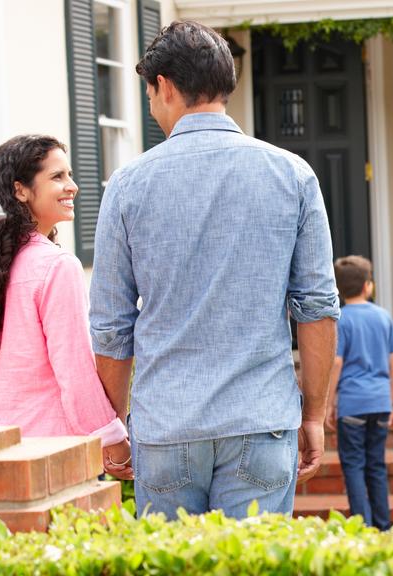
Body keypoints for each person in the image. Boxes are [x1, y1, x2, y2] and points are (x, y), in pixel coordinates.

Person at [89, 21, 340, 520]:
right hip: (261, 418)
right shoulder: (292, 174)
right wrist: (313, 413)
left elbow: (112, 328)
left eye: (150, 93)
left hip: (167, 426)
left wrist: (113, 428)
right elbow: (317, 309)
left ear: (163, 85)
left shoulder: (127, 185)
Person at [0, 135, 132, 479]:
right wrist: (112, 438)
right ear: (21, 190)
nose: (72, 186)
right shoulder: (56, 267)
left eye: (69, 175)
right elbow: (75, 371)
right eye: (57, 177)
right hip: (57, 449)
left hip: (1, 442)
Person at [326, 256, 393, 530]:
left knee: (354, 466)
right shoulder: (384, 317)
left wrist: (328, 403)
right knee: (376, 466)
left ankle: (362, 527)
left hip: (353, 404)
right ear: (368, 286)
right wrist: (389, 400)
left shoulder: (341, 320)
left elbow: (336, 363)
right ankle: (383, 526)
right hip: (380, 401)